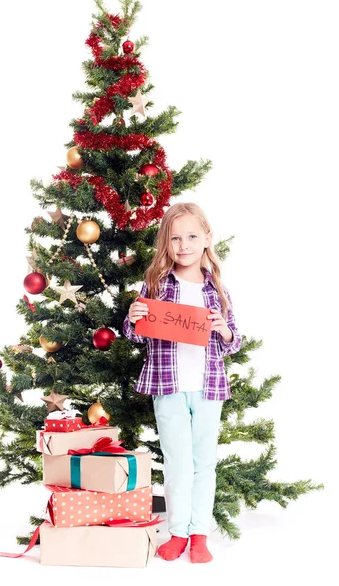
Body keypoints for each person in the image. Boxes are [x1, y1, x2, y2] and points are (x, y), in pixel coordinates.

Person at [122, 202, 242, 563]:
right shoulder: (156, 285)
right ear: (166, 243)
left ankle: (199, 535)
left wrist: (224, 331)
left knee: (204, 462)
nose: (184, 245)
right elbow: (136, 336)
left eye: (192, 236)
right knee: (177, 462)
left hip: (209, 388)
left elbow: (234, 340)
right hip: (168, 386)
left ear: (207, 238)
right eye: (175, 238)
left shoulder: (215, 290)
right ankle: (176, 531)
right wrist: (133, 317)